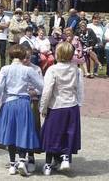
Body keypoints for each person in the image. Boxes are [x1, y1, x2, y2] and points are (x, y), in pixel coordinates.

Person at [0, 45, 44, 176]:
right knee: (23, 132)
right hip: (24, 103)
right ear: (22, 56)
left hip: (9, 102)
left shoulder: (5, 69)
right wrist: (34, 92)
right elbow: (42, 86)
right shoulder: (28, 70)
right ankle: (22, 160)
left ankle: (12, 164)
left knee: (11, 133)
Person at [40, 42, 83, 176]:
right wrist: (78, 104)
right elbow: (80, 89)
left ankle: (47, 165)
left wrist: (43, 107)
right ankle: (65, 157)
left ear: (58, 54)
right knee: (68, 133)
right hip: (72, 105)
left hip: (56, 106)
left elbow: (47, 90)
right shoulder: (77, 70)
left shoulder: (52, 69)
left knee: (52, 134)